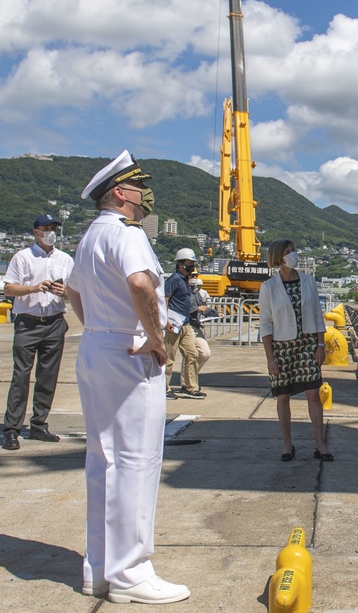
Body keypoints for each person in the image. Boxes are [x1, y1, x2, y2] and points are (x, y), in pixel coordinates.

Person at [64, 150, 190, 604]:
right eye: (138, 187)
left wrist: (98, 326)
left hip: (97, 344)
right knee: (137, 459)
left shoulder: (89, 236)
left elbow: (74, 291)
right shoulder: (126, 233)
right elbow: (140, 283)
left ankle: (98, 567)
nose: (144, 195)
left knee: (103, 459)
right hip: (129, 350)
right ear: (120, 192)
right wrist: (156, 337)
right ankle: (131, 572)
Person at [2, 214, 74, 451]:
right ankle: (11, 428)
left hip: (54, 321)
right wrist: (34, 287)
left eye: (54, 228)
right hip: (28, 321)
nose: (51, 232)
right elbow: (9, 288)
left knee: (48, 375)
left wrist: (64, 292)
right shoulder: (23, 257)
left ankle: (39, 423)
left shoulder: (65, 259)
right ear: (36, 232)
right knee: (21, 375)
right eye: (47, 228)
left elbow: (75, 291)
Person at [258, 238, 332, 462]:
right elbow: (266, 324)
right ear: (278, 258)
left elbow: (318, 316)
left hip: (308, 343)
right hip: (282, 346)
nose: (293, 255)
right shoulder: (269, 287)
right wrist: (270, 358)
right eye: (288, 252)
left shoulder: (309, 281)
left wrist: (321, 345)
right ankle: (287, 445)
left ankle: (320, 444)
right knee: (283, 396)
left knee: (313, 393)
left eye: (293, 251)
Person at [163, 248, 205, 399]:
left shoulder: (185, 280)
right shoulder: (174, 279)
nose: (191, 265)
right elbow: (165, 298)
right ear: (180, 264)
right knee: (169, 356)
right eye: (188, 262)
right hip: (174, 324)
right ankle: (164, 387)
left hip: (185, 324)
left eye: (192, 262)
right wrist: (165, 320)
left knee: (191, 354)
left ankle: (190, 387)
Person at [186, 277, 211, 376]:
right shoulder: (182, 292)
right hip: (187, 326)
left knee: (205, 353)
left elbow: (203, 307)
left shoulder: (197, 294)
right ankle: (187, 383)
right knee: (190, 355)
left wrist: (215, 313)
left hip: (196, 325)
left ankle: (191, 376)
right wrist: (196, 309)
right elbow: (179, 308)